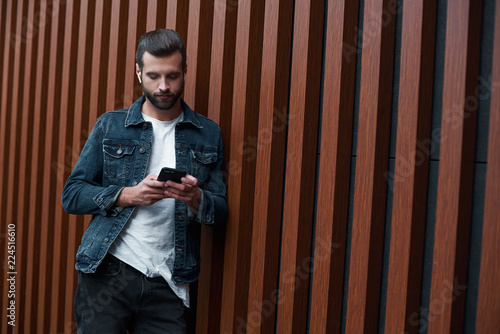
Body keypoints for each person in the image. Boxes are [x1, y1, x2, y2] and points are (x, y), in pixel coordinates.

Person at [62, 29, 228, 334]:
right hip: (108, 272)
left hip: (170, 283)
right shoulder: (111, 125)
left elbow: (220, 209)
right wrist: (128, 195)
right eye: (153, 76)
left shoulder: (208, 134)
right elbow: (72, 195)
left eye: (172, 76)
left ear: (185, 72)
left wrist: (194, 198)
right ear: (138, 72)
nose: (163, 86)